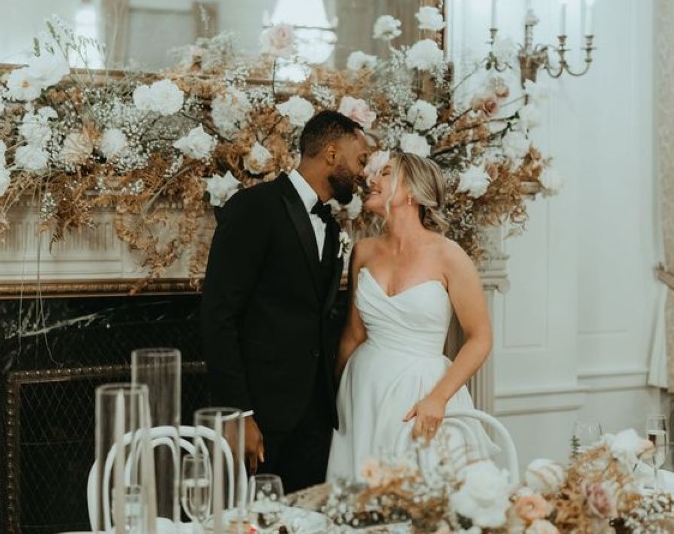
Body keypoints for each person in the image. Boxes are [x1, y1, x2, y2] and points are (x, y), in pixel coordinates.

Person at [201, 110, 369, 493]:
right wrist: (239, 414)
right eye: (359, 160)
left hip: (314, 417)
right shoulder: (253, 207)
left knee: (303, 530)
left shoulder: (330, 224)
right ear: (330, 154)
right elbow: (218, 316)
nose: (362, 173)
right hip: (259, 415)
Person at [327, 151, 493, 480]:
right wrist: (333, 393)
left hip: (422, 390)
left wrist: (438, 398)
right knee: (362, 500)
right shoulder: (363, 251)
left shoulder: (450, 256)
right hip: (364, 389)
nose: (371, 180)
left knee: (423, 498)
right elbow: (354, 333)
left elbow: (480, 337)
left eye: (385, 174)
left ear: (411, 192)